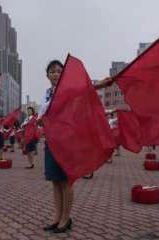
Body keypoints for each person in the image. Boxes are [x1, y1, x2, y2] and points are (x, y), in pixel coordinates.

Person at [40, 60, 112, 233]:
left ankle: (66, 218)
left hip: (66, 141)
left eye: (59, 71)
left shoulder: (68, 90)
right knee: (55, 181)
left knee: (66, 181)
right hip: (51, 140)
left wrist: (101, 83)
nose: (55, 74)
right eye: (52, 71)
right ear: (47, 75)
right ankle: (57, 217)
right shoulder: (47, 93)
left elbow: (85, 88)